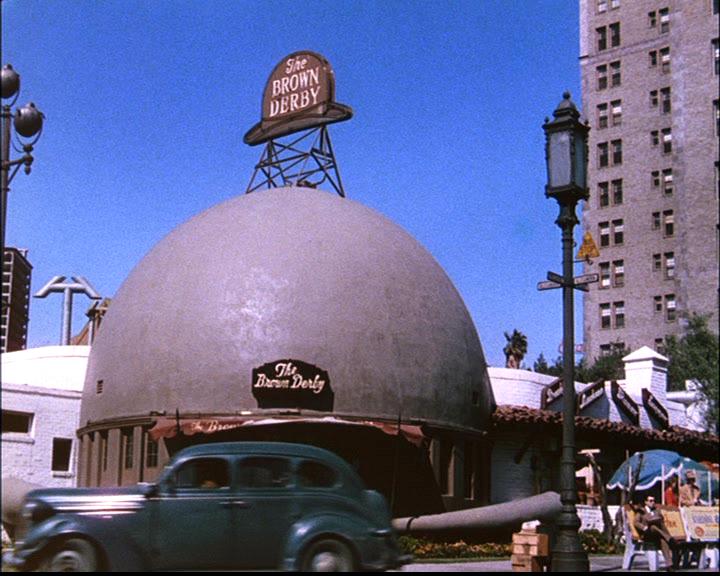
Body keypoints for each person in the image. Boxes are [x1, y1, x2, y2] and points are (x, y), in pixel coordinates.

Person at [633, 495, 677, 570]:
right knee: (653, 527)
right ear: (646, 502)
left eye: (653, 501)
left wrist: (658, 518)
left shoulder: (656, 510)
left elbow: (661, 519)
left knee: (663, 542)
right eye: (650, 501)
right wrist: (644, 527)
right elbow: (636, 522)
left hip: (657, 534)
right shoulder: (641, 511)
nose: (652, 502)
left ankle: (669, 565)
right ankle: (669, 538)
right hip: (647, 533)